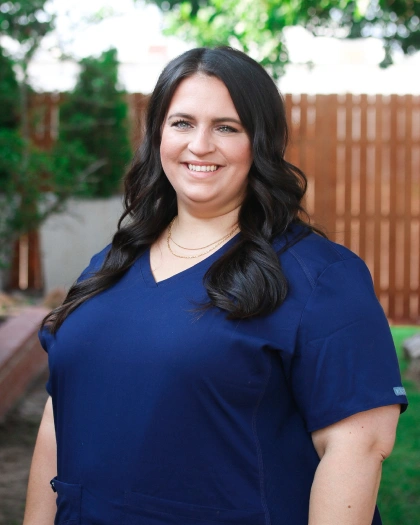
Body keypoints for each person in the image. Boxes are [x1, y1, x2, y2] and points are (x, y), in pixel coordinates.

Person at [23, 47, 407, 525]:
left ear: (260, 141)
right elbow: (60, 417)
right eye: (181, 123)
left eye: (226, 127)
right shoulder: (109, 265)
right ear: (157, 134)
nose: (199, 145)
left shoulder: (321, 277)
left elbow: (359, 446)